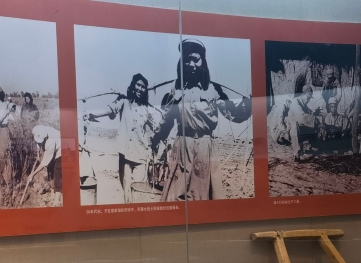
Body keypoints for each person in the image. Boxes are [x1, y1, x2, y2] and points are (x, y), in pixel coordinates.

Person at [154, 39, 250, 200]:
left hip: (205, 148)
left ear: (203, 61)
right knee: (176, 195)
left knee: (202, 195)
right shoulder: (175, 88)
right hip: (182, 146)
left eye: (195, 59)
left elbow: (233, 115)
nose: (191, 64)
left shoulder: (214, 89)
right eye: (187, 60)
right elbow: (167, 120)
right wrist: (157, 138)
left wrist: (247, 105)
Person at [84, 73, 163, 203]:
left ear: (146, 90)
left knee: (138, 192)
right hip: (125, 154)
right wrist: (93, 114)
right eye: (138, 85)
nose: (140, 88)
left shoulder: (147, 109)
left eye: (143, 87)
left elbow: (159, 125)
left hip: (141, 156)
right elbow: (110, 110)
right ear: (133, 86)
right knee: (126, 192)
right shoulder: (124, 102)